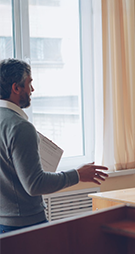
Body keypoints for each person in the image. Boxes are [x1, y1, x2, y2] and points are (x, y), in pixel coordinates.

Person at [0, 58, 108, 233]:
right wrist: (78, 175)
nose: (32, 90)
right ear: (16, 88)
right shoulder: (20, 127)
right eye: (30, 83)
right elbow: (35, 185)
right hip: (25, 226)